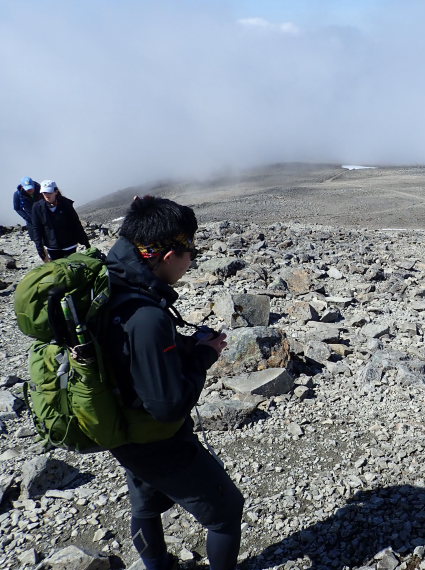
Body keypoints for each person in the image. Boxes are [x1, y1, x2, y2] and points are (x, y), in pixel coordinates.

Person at [104, 196, 243, 570]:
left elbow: (129, 354)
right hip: (155, 438)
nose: (192, 260)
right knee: (227, 510)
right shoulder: (146, 315)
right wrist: (203, 356)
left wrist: (181, 346)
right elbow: (168, 407)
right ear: (168, 256)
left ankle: (157, 566)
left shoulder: (113, 279)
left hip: (120, 424)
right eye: (191, 252)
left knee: (146, 503)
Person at [30, 180, 90, 261]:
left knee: (72, 267)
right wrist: (39, 248)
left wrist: (85, 242)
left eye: (49, 192)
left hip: (69, 244)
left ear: (56, 191)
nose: (47, 195)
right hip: (52, 246)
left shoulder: (65, 203)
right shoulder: (37, 207)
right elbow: (36, 228)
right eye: (44, 192)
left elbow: (76, 223)